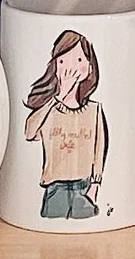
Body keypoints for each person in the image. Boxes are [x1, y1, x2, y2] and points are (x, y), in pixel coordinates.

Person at [23, 28, 106, 219]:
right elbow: (29, 133)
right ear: (55, 66)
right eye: (62, 60)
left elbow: (98, 150)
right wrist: (58, 96)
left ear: (89, 67)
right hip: (55, 186)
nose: (71, 67)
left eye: (78, 60)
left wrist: (95, 186)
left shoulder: (95, 110)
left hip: (83, 186)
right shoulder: (49, 109)